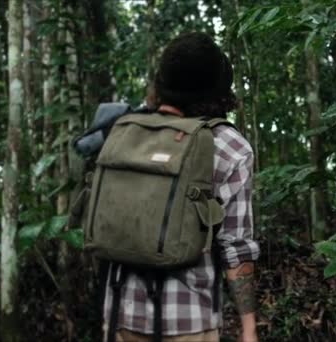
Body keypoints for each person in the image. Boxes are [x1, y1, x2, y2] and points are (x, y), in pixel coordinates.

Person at [102, 32, 260, 342]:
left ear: (161, 85)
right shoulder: (231, 148)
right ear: (218, 91)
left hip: (121, 313)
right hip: (189, 322)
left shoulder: (127, 133)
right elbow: (236, 250)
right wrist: (249, 326)